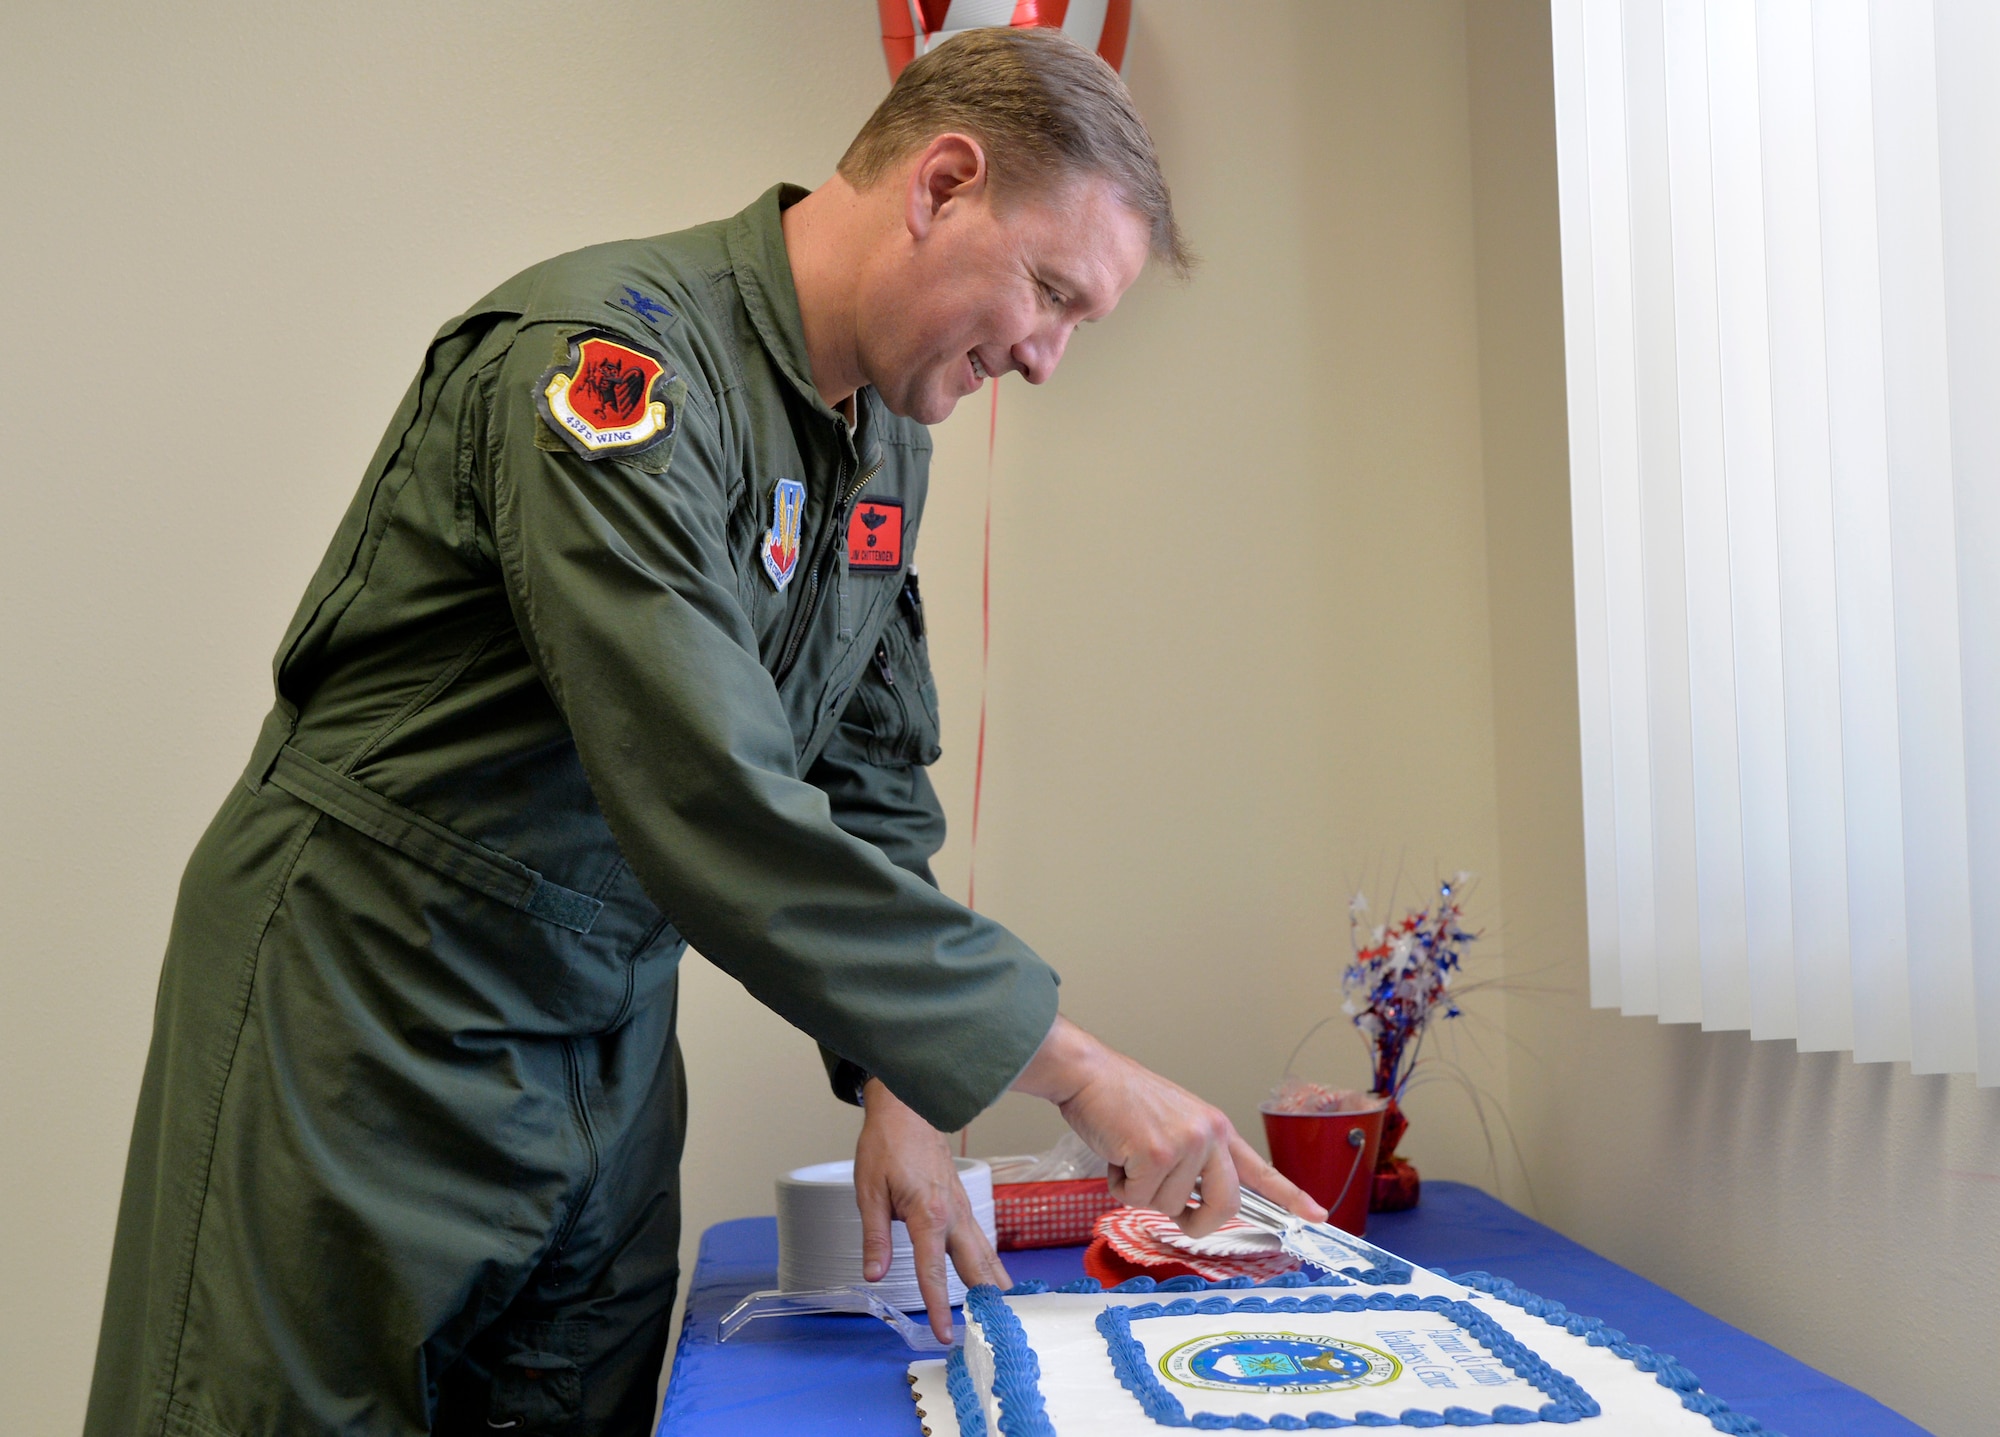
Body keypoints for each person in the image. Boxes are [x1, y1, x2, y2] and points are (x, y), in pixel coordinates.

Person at [84, 26, 1321, 1437]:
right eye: (1049, 293)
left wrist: (908, 1078)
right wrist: (1079, 1068)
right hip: (371, 1013)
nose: (1044, 359)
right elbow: (711, 793)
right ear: (942, 183)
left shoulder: (884, 435)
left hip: (604, 1045)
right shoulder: (609, 370)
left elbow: (862, 772)